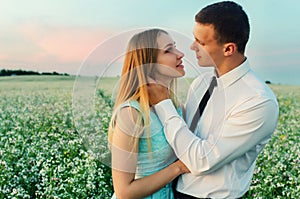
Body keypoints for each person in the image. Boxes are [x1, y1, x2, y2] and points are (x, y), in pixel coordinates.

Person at [147, 1, 279, 198]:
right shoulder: (201, 83)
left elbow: (201, 160)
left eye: (201, 42)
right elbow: (184, 134)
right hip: (173, 191)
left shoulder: (258, 101)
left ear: (228, 49)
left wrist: (163, 103)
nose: (192, 47)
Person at [108, 28, 190, 199]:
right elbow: (124, 192)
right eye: (168, 50)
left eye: (175, 47)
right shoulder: (131, 114)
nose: (180, 54)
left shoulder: (177, 108)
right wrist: (179, 168)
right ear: (148, 63)